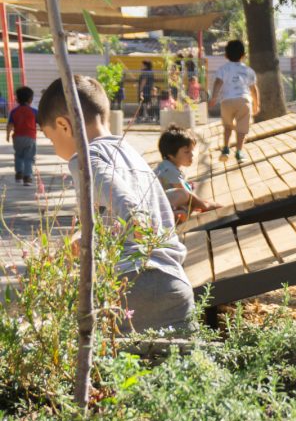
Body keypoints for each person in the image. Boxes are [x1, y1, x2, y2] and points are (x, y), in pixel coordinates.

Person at [37, 75, 194, 333]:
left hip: (133, 284)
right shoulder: (131, 154)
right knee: (180, 369)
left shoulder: (85, 160)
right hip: (175, 283)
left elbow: (123, 200)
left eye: (51, 139)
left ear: (64, 125)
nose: (55, 148)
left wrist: (135, 219)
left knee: (94, 359)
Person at [154, 124, 222, 223]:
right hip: (156, 205)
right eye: (186, 152)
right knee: (183, 194)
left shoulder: (168, 166)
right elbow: (187, 195)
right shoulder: (168, 169)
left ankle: (178, 214)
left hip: (164, 203)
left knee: (187, 196)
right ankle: (170, 215)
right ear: (171, 155)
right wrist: (206, 205)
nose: (192, 155)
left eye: (192, 151)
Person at [209, 39, 259, 164]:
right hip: (244, 100)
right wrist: (256, 104)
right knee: (242, 127)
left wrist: (214, 97)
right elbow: (254, 89)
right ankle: (239, 152)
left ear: (226, 55)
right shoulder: (248, 71)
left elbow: (218, 83)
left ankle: (226, 149)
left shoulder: (223, 69)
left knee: (227, 126)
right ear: (244, 55)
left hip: (226, 101)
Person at [6, 86, 38, 186]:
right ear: (30, 99)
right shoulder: (34, 111)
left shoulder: (14, 111)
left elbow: (10, 125)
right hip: (30, 137)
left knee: (19, 155)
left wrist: (7, 135)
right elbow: (41, 122)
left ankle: (19, 174)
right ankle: (27, 177)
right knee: (28, 157)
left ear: (17, 99)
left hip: (17, 137)